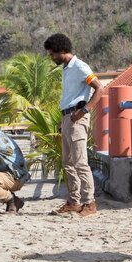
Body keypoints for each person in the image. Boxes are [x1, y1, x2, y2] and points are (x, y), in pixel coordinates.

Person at [44, 33, 105, 217]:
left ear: (62, 50)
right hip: (67, 117)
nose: (51, 57)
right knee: (68, 163)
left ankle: (89, 202)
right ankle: (74, 201)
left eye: (52, 54)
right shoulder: (66, 68)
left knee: (80, 162)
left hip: (77, 117)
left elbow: (100, 88)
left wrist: (84, 111)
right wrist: (64, 120)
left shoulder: (79, 66)